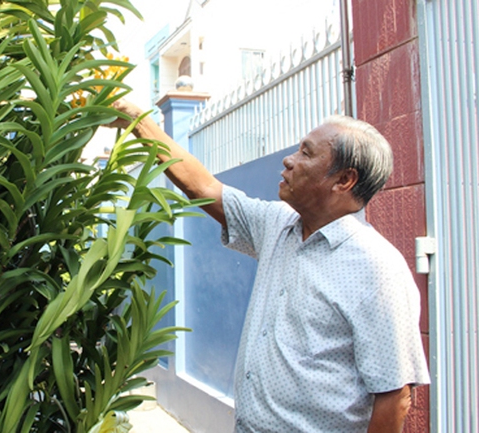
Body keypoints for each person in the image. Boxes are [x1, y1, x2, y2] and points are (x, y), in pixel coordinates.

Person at [109, 99, 430, 432]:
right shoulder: (278, 226)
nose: (289, 160)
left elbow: (395, 395)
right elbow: (203, 187)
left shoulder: (376, 267)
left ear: (344, 180)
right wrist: (136, 120)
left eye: (306, 153)